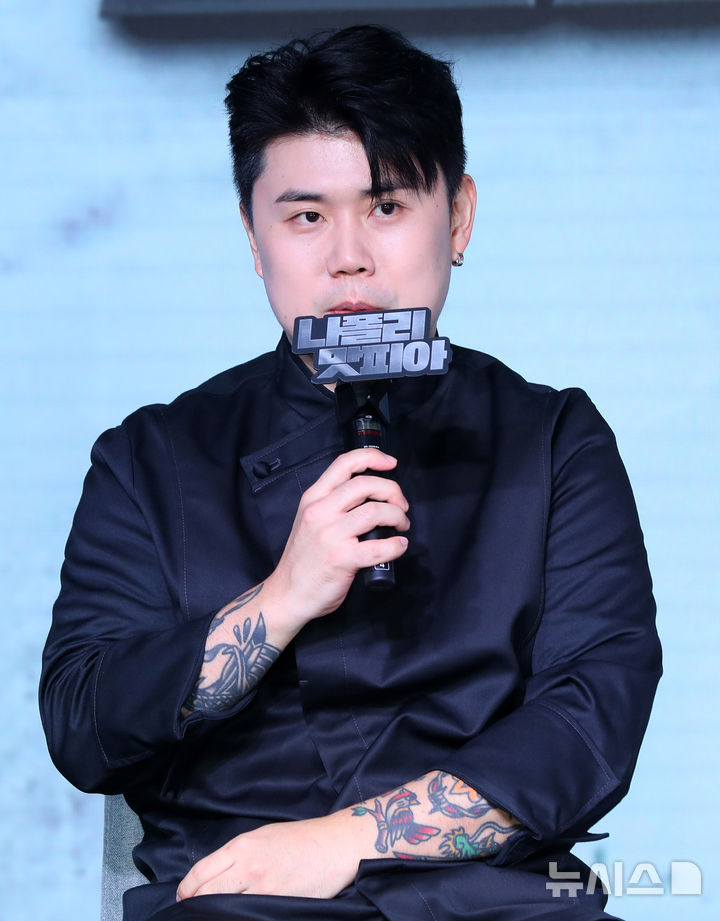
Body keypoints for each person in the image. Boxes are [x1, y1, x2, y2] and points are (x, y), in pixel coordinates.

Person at [40, 24, 662, 921]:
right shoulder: (149, 459)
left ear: (459, 217)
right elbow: (82, 725)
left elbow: (592, 716)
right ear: (253, 237)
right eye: (306, 216)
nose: (349, 257)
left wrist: (343, 841)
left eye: (387, 207)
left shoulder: (555, 439)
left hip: (495, 898)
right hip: (241, 895)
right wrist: (281, 599)